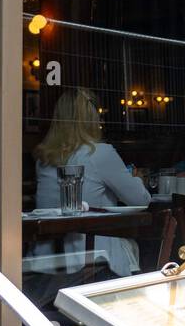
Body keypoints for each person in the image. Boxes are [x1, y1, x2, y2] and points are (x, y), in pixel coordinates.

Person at [33, 88, 152, 275]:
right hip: (92, 265)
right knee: (142, 248)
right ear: (92, 118)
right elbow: (140, 200)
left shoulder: (44, 159)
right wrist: (137, 179)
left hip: (46, 265)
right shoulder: (99, 153)